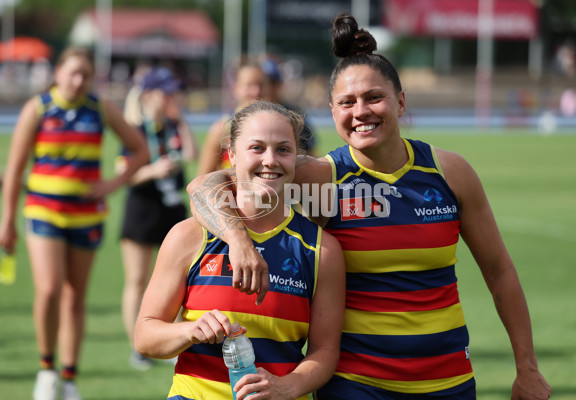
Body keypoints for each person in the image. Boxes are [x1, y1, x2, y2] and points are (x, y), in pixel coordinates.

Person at [185, 14, 552, 400]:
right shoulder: (322, 178)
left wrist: (527, 368)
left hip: (449, 381)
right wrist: (237, 238)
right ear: (332, 111)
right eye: (347, 102)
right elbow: (204, 186)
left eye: (374, 98)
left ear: (401, 101)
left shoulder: (449, 173)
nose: (361, 112)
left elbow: (500, 273)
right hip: (354, 385)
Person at [135, 101, 345, 399]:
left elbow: (325, 351)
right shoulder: (189, 236)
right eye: (256, 148)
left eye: (283, 149)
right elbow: (145, 335)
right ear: (232, 155)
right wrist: (189, 331)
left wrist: (289, 385)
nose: (270, 160)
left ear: (296, 158)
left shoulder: (321, 249)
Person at [0, 47, 149, 400]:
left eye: (86, 74)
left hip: (86, 216)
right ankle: (46, 370)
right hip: (43, 212)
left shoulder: (99, 108)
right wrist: (7, 221)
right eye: (73, 73)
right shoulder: (38, 108)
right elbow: (15, 169)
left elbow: (139, 149)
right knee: (50, 290)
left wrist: (112, 185)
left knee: (74, 298)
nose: (79, 80)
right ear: (58, 73)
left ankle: (69, 378)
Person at [117, 67, 198, 370]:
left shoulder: (174, 125)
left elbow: (191, 153)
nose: (172, 98)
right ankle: (138, 347)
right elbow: (121, 174)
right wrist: (153, 170)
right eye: (167, 93)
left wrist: (181, 118)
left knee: (181, 280)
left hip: (173, 208)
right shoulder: (135, 129)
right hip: (142, 208)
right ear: (149, 95)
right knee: (137, 281)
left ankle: (177, 342)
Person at [196, 58, 268, 175]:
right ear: (236, 88)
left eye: (261, 84)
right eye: (250, 85)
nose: (256, 91)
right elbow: (201, 181)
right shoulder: (221, 130)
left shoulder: (277, 126)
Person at [261, 56, 317, 156]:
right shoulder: (241, 115)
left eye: (272, 83)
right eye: (262, 83)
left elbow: (311, 152)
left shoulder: (295, 115)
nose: (268, 88)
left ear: (279, 85)